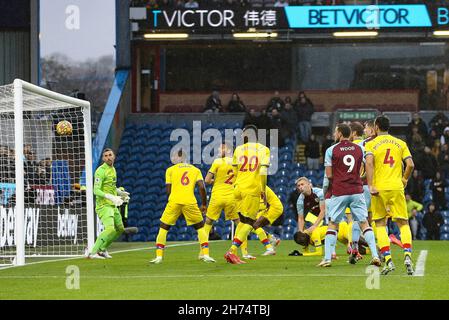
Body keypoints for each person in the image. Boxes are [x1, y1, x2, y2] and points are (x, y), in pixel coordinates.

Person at [320, 123, 380, 267]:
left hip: (339, 191)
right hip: (357, 190)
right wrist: (368, 182)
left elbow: (328, 175)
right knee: (364, 223)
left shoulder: (331, 150)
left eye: (335, 132)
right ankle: (375, 255)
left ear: (340, 133)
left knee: (333, 224)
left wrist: (326, 191)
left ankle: (327, 259)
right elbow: (370, 164)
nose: (335, 134)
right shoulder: (360, 148)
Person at [365, 115, 415, 275]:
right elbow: (410, 164)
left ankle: (388, 260)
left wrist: (371, 185)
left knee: (380, 224)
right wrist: (405, 179)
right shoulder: (401, 143)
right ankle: (407, 255)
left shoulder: (371, 144)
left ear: (377, 126)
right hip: (396, 187)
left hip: (379, 189)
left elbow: (369, 164)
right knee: (403, 223)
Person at [150, 150, 215, 264]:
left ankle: (159, 257)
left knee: (164, 227)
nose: (173, 159)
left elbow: (168, 190)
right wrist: (204, 204)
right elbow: (202, 187)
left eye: (174, 156)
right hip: (190, 202)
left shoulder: (170, 170)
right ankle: (206, 255)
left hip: (174, 201)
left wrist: (173, 202)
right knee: (200, 227)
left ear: (180, 157)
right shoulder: (195, 170)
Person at [224, 125, 271, 264]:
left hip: (238, 188)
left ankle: (237, 253)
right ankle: (231, 252)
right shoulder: (263, 149)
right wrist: (263, 190)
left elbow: (235, 171)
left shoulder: (238, 149)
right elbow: (263, 172)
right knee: (250, 223)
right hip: (251, 189)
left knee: (242, 222)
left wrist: (236, 186)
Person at [88, 149, 132, 259]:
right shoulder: (100, 171)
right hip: (103, 205)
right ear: (103, 158)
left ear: (114, 157)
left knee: (120, 229)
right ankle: (92, 253)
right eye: (106, 156)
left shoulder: (113, 169)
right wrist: (110, 196)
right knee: (110, 229)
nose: (108, 157)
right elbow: (96, 190)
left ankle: (102, 249)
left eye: (110, 155)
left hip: (112, 204)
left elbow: (111, 187)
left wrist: (120, 193)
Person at [203, 144, 241, 256]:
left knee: (208, 222)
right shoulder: (236, 163)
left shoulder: (217, 162)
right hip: (231, 197)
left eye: (221, 148)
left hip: (217, 196)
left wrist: (217, 180)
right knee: (239, 223)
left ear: (228, 149)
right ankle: (244, 252)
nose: (218, 150)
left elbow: (207, 180)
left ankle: (203, 253)